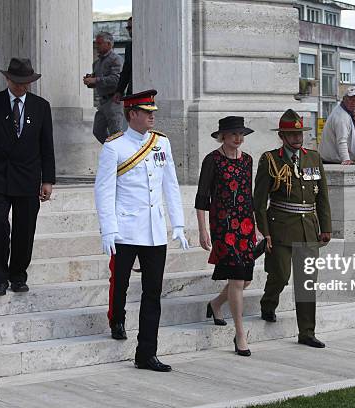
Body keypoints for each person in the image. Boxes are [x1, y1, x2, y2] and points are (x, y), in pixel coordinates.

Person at [94, 89, 188, 372]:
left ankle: (146, 352)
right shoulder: (114, 147)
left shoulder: (161, 144)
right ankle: (117, 318)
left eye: (153, 112)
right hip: (124, 229)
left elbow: (170, 186)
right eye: (147, 112)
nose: (152, 116)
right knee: (120, 283)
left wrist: (179, 224)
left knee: (153, 294)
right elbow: (104, 190)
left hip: (154, 231)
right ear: (132, 114)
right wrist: (108, 230)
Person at [0, 58, 55, 296]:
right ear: (7, 79)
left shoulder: (41, 106)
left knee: (25, 228)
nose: (22, 87)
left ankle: (18, 274)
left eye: (26, 83)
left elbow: (47, 146)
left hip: (28, 177)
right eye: (18, 82)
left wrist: (47, 180)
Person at [254, 109, 332, 348]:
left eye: (299, 133)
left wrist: (326, 226)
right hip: (281, 226)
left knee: (307, 281)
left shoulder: (313, 158)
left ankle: (306, 332)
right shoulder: (270, 159)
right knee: (280, 275)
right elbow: (259, 201)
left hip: (308, 227)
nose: (297, 138)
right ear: (282, 136)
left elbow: (322, 196)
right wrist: (264, 231)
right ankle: (268, 303)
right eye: (291, 134)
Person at [195, 116, 257, 357]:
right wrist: (202, 230)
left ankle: (216, 304)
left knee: (244, 280)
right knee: (237, 280)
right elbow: (202, 198)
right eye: (233, 134)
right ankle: (240, 334)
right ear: (223, 136)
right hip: (222, 227)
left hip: (245, 226)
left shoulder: (248, 160)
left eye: (241, 134)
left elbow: (248, 194)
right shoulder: (212, 160)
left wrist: (256, 225)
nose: (238, 138)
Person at [84, 31, 124, 144]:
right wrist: (90, 81)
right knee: (98, 131)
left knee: (116, 133)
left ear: (109, 44)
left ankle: (120, 157)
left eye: (100, 43)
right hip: (102, 102)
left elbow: (117, 80)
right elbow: (97, 81)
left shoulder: (116, 59)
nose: (97, 46)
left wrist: (95, 80)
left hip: (114, 101)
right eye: (96, 43)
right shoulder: (96, 63)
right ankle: (111, 150)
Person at [319, 86, 355, 164]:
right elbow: (342, 140)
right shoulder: (341, 116)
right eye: (350, 99)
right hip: (333, 161)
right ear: (344, 99)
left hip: (333, 160)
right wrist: (346, 159)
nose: (353, 102)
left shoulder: (349, 109)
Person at [113, 17, 133, 103]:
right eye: (128, 28)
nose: (130, 31)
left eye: (131, 27)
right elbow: (126, 70)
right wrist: (119, 91)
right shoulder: (129, 46)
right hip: (132, 93)